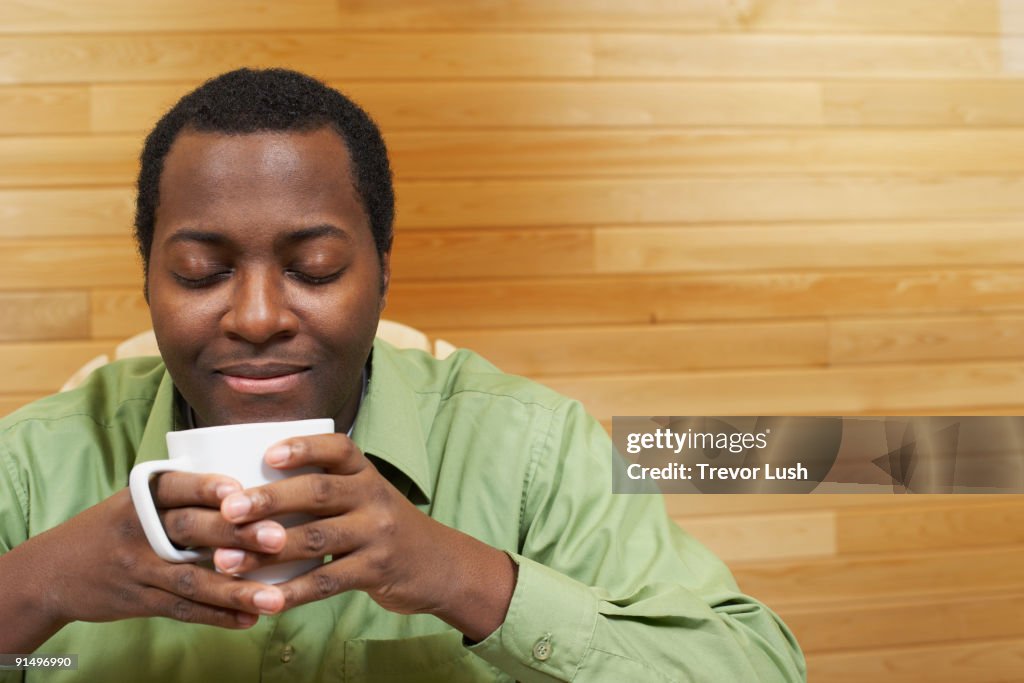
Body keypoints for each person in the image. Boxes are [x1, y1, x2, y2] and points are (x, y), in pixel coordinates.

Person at [0, 68, 805, 682]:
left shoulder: (531, 449)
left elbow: (760, 664)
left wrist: (466, 577)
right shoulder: (35, 462)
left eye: (314, 268)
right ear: (148, 278)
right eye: (201, 271)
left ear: (382, 273)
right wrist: (34, 589)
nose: (255, 317)